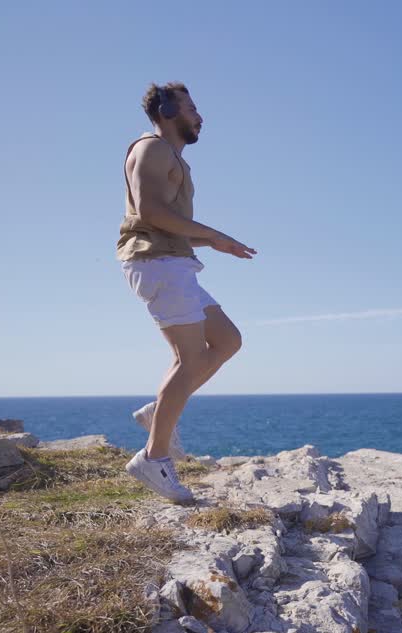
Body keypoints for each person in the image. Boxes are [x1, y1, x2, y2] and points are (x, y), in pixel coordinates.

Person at [117, 82, 256, 504]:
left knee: (228, 340)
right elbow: (150, 213)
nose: (200, 116)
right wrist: (213, 233)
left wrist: (212, 242)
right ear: (167, 110)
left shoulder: (172, 157)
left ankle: (159, 414)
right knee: (190, 357)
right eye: (192, 108)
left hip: (174, 261)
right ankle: (153, 457)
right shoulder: (153, 148)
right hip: (157, 264)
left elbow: (167, 225)